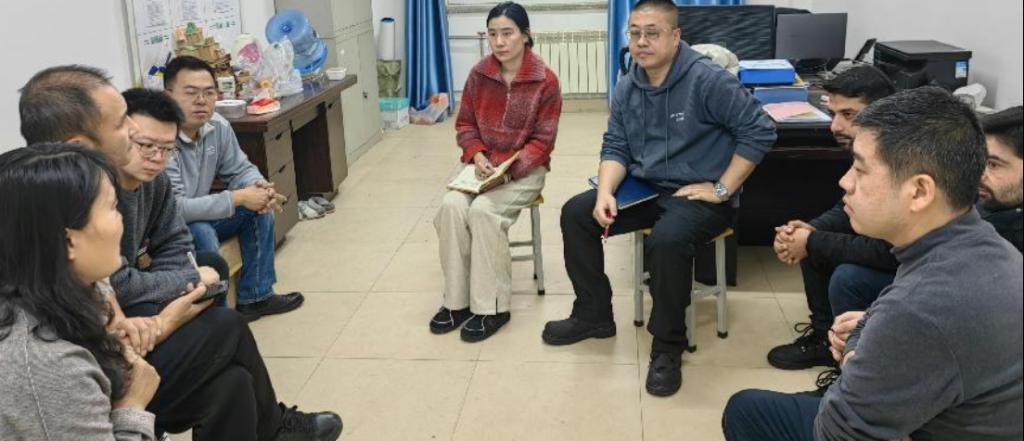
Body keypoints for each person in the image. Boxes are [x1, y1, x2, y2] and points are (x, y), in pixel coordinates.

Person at [18, 67, 341, 441]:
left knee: (232, 383)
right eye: (124, 125)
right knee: (226, 326)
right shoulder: (48, 212)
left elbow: (153, 258)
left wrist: (150, 313)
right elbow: (107, 299)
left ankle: (271, 423)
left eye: (167, 148)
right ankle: (275, 429)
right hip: (105, 368)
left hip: (115, 341)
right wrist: (163, 321)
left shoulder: (86, 191)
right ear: (79, 145)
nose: (137, 138)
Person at [722, 87, 1023, 441]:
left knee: (745, 410)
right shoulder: (981, 244)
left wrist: (856, 355)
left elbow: (835, 434)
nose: (845, 181)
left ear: (919, 192)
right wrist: (870, 329)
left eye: (861, 169)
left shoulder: (920, 308)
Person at [542, 0, 776, 397]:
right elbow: (616, 144)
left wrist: (722, 188)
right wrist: (605, 192)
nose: (641, 42)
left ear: (676, 36)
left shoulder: (707, 79)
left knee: (667, 241)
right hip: (647, 187)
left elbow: (760, 130)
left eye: (652, 33)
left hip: (700, 193)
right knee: (577, 213)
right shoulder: (628, 84)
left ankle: (668, 346)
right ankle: (594, 314)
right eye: (635, 33)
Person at [1, 144, 159, 441]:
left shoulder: (52, 291)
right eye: (112, 208)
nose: (121, 220)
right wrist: (132, 406)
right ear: (68, 242)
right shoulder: (48, 365)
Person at [430, 1, 562, 342]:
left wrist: (507, 171)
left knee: (484, 212)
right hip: (481, 166)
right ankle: (456, 302)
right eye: (492, 34)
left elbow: (542, 142)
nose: (499, 42)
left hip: (523, 170)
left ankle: (492, 307)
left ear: (526, 35)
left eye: (507, 33)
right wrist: (475, 155)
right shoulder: (479, 74)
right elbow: (465, 125)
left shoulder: (545, 81)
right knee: (451, 207)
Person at [767, 65, 897, 371]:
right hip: (892, 251)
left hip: (916, 266)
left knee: (846, 274)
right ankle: (826, 339)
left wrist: (812, 240)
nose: (835, 127)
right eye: (833, 113)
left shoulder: (904, 160)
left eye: (849, 115)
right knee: (814, 242)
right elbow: (845, 209)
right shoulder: (872, 147)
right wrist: (810, 229)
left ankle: (854, 362)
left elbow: (892, 250)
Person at [162, 56, 303, 322]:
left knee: (258, 209)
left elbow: (239, 168)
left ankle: (256, 297)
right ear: (168, 96)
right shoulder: (160, 138)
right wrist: (238, 197)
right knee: (201, 230)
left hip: (201, 212)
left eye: (209, 92)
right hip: (168, 229)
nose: (201, 100)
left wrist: (258, 187)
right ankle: (221, 316)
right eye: (191, 92)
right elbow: (175, 209)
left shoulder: (217, 125)